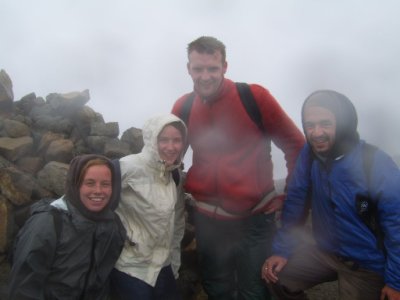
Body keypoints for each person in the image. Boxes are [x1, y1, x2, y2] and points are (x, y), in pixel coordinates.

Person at [171, 36, 305, 300]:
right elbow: (169, 156)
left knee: (254, 290)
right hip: (208, 220)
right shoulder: (184, 107)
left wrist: (288, 196)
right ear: (188, 69)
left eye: (213, 68)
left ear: (225, 66)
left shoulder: (253, 97)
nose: (206, 76)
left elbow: (296, 146)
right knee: (216, 286)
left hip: (254, 219)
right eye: (198, 69)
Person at [262, 90, 400, 300]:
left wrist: (395, 282)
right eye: (310, 125)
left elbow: (396, 224)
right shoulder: (310, 155)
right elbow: (296, 203)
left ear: (343, 123)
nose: (316, 132)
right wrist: (282, 251)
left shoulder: (375, 163)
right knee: (276, 277)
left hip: (367, 265)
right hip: (325, 252)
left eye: (325, 123)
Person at [8, 154, 126, 300]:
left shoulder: (112, 224)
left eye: (105, 184)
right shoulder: (47, 222)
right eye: (89, 183)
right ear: (75, 184)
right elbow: (24, 286)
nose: (98, 190)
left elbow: (102, 280)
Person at [110, 114, 187, 300]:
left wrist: (174, 265)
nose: (171, 147)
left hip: (164, 267)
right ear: (152, 140)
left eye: (177, 140)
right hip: (131, 268)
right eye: (164, 140)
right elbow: (87, 196)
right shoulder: (127, 167)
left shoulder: (174, 176)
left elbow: (176, 223)